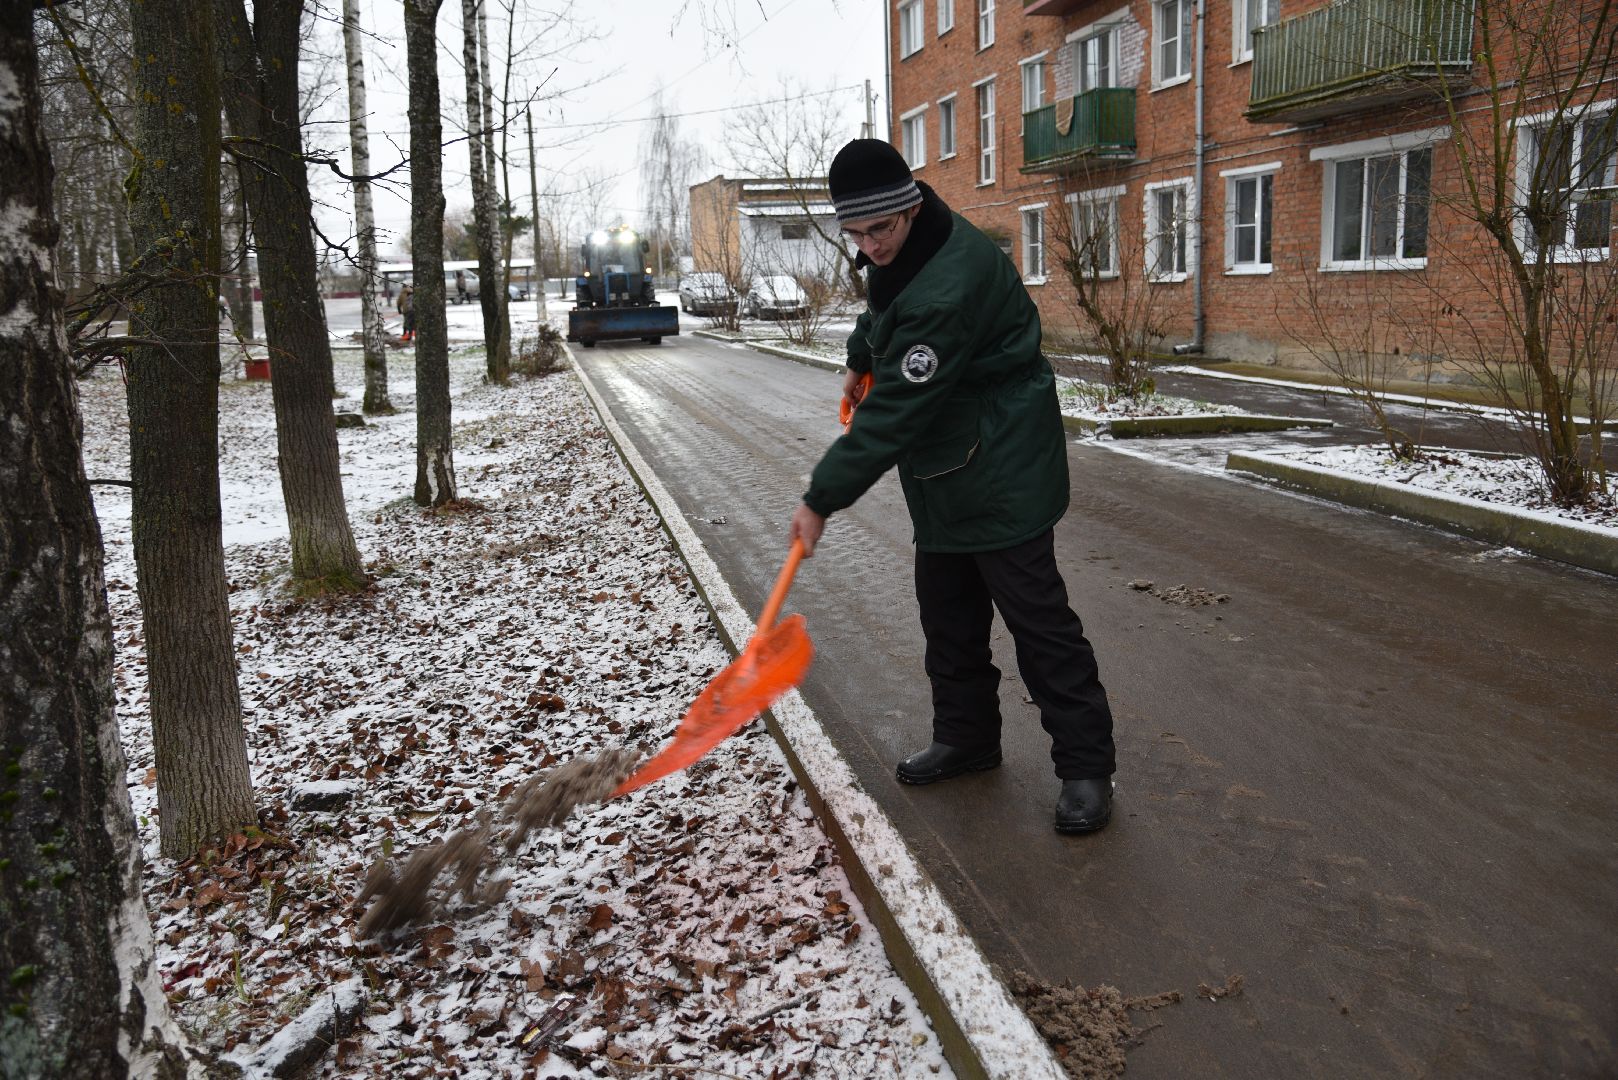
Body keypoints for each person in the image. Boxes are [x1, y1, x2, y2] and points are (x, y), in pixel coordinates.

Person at [789, 139, 1116, 834]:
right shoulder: (911, 244)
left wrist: (821, 498)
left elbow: (897, 411)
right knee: (948, 615)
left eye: (881, 229)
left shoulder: (950, 284)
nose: (871, 246)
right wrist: (856, 356)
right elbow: (884, 308)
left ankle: (1086, 766)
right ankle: (968, 739)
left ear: (910, 207)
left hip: (1000, 465)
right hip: (947, 465)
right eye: (857, 232)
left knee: (1038, 623)